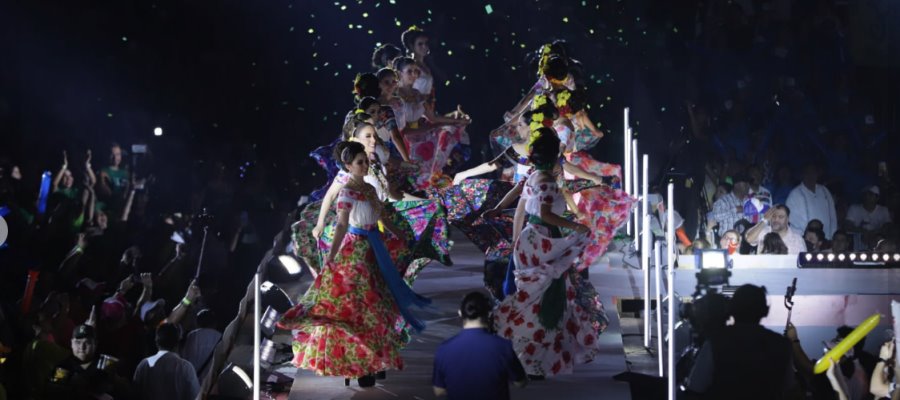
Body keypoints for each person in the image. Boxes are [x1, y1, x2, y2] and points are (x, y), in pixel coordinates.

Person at [278, 141, 430, 387]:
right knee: (361, 307)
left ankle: (377, 359)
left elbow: (382, 215)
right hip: (356, 249)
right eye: (360, 162)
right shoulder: (347, 192)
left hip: (375, 246)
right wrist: (331, 256)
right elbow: (340, 225)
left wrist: (399, 234)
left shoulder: (369, 189)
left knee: (380, 304)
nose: (365, 165)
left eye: (365, 161)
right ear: (348, 166)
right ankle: (363, 365)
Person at [493, 128, 605, 378]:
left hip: (530, 240)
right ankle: (534, 357)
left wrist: (515, 241)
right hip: (544, 240)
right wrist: (575, 225)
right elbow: (545, 214)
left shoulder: (534, 177)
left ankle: (527, 355)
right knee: (542, 299)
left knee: (532, 297)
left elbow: (520, 209)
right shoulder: (545, 181)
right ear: (555, 156)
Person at [686, 284, 795, 399]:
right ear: (764, 311)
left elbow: (695, 389)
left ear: (731, 309)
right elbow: (790, 388)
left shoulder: (715, 343)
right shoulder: (781, 345)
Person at [432, 292, 527, 400]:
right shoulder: (503, 346)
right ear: (489, 313)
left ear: (460, 313)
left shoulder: (444, 349)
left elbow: (438, 390)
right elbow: (520, 382)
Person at [132, 323, 200, 400]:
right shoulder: (185, 367)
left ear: (156, 341)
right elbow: (195, 396)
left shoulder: (143, 364)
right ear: (178, 341)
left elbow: (135, 393)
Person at [786, 163, 838, 239]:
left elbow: (832, 216)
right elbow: (793, 221)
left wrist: (833, 236)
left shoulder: (824, 191)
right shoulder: (795, 195)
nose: (810, 175)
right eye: (807, 173)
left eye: (813, 172)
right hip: (805, 242)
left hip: (827, 240)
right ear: (802, 175)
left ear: (817, 174)